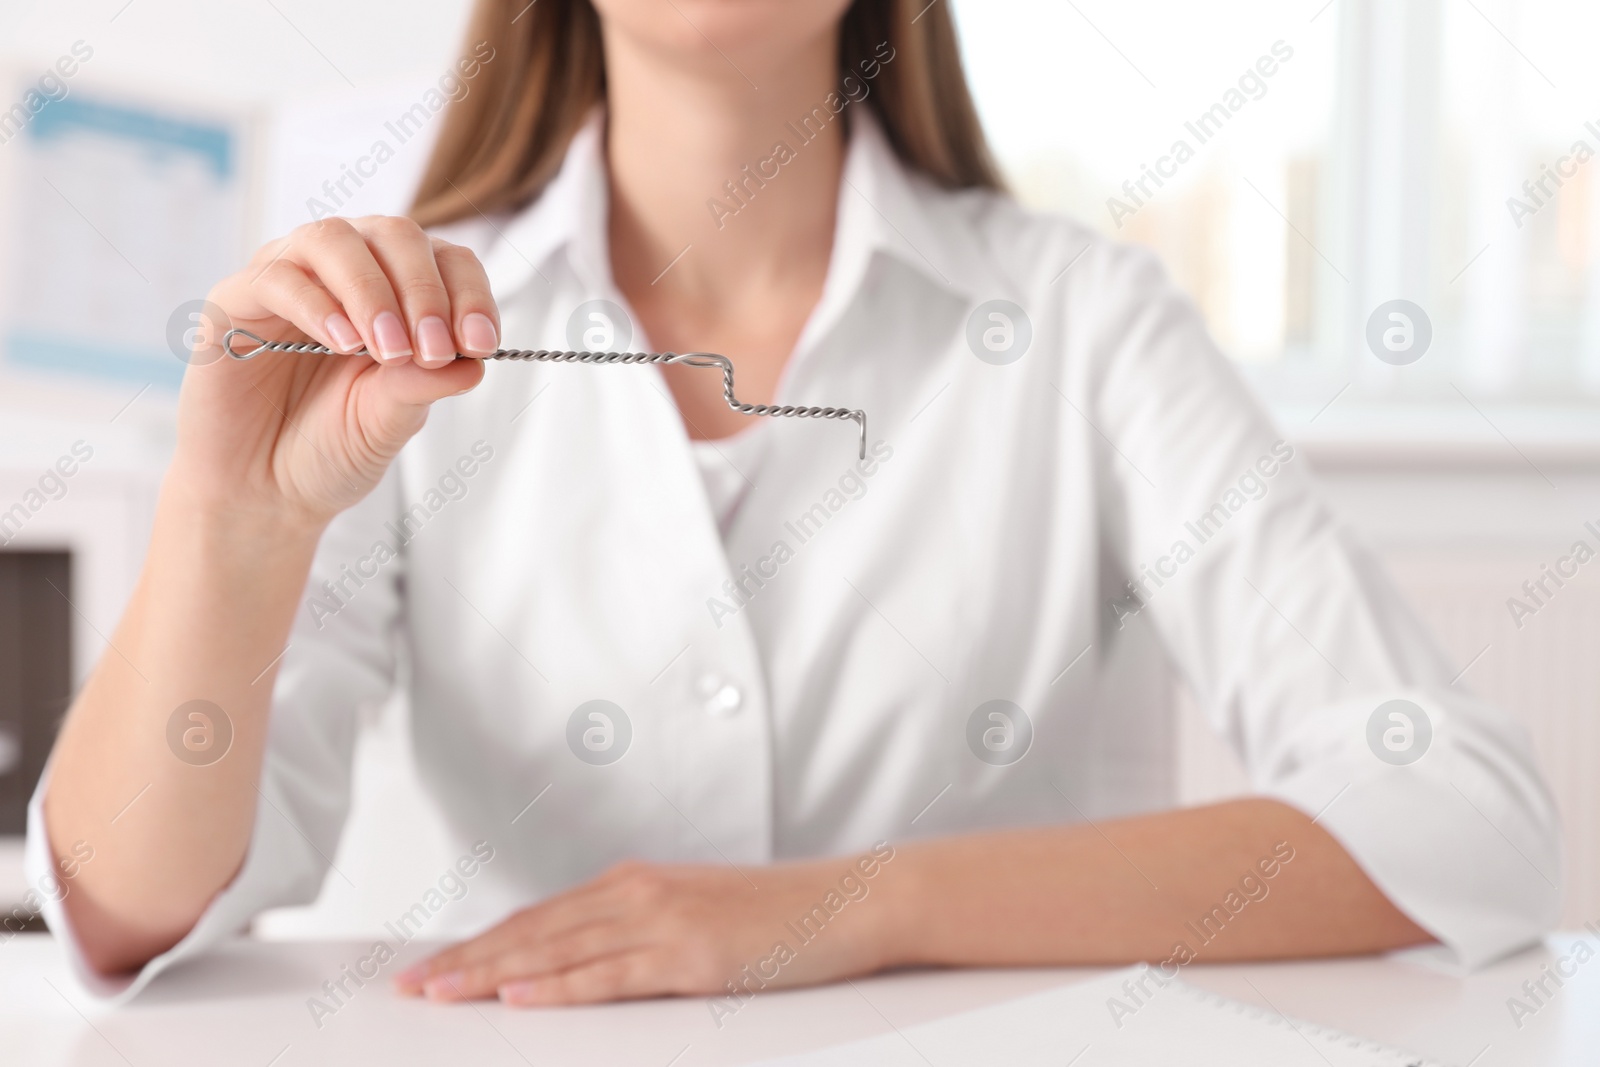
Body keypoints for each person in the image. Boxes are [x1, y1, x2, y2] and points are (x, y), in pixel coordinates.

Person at [31, 0, 1559, 1007]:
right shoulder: (390, 343)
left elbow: (1463, 819)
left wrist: (854, 908)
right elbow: (123, 916)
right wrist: (233, 520)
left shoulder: (1087, 322)